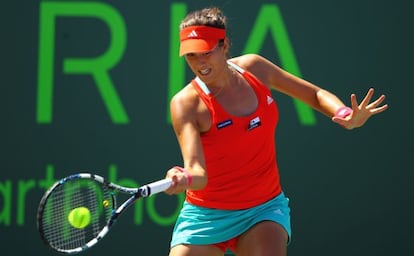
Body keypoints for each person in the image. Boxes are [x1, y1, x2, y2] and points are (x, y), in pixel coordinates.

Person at [164, 6, 388, 256]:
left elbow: (314, 94)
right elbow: (198, 171)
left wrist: (345, 114)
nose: (199, 63)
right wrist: (184, 177)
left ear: (224, 45)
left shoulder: (255, 68)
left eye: (206, 52)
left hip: (262, 208)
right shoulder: (185, 104)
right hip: (206, 215)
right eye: (191, 56)